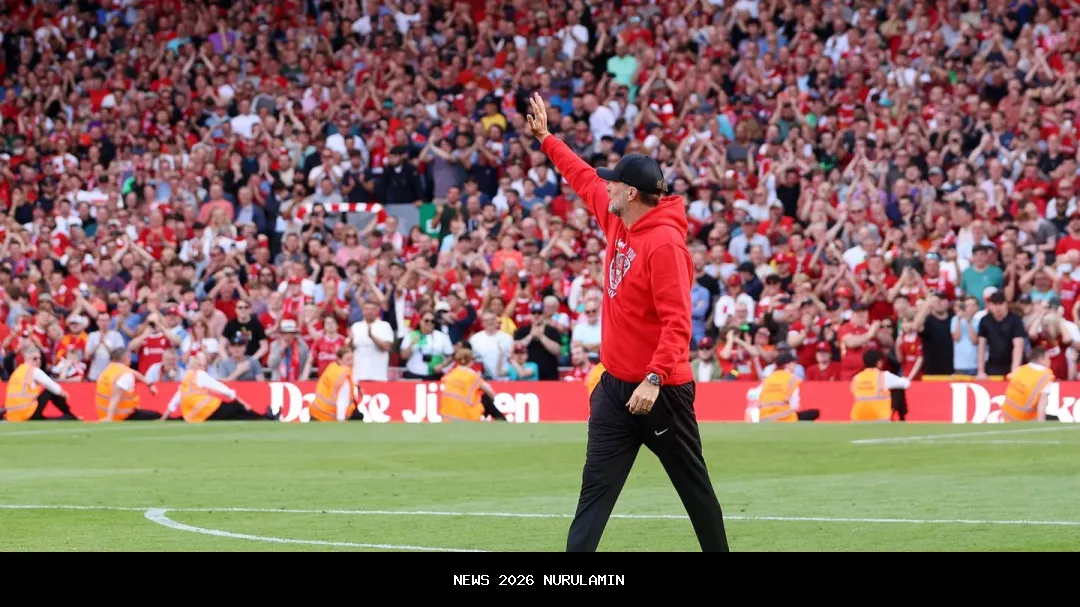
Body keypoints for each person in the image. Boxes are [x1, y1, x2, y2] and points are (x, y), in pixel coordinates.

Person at [527, 92, 729, 552]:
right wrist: (546, 139)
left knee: (694, 492)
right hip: (616, 390)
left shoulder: (664, 245)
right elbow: (581, 177)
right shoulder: (620, 218)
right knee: (594, 495)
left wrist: (654, 379)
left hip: (662, 392)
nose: (607, 187)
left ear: (631, 192)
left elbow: (679, 323)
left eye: (614, 183)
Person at [163, 353, 278, 422]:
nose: (203, 368)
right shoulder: (200, 375)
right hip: (208, 409)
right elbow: (223, 389)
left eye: (204, 366)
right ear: (195, 365)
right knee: (237, 407)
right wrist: (243, 402)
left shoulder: (187, 378)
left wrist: (163, 418)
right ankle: (265, 417)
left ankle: (263, 417)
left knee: (235, 414)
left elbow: (176, 400)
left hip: (194, 416)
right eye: (200, 365)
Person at [0, 346, 78, 422]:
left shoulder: (17, 371)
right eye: (35, 358)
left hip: (13, 414)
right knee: (50, 391)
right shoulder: (33, 370)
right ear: (27, 358)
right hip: (27, 412)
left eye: (39, 358)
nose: (38, 361)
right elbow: (52, 385)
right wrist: (63, 393)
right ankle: (69, 414)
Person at [746, 352, 820, 422]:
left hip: (764, 417)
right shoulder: (792, 379)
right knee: (814, 413)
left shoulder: (768, 379)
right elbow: (795, 406)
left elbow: (754, 396)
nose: (795, 365)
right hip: (785, 418)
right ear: (787, 365)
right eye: (793, 363)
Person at [438, 346, 506, 422]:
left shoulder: (450, 375)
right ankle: (501, 420)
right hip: (466, 417)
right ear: (471, 361)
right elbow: (491, 393)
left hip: (446, 417)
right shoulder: (473, 377)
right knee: (483, 396)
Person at [97, 348, 161, 421]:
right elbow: (115, 397)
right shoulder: (125, 375)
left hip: (102, 414)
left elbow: (134, 373)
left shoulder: (108, 370)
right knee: (157, 416)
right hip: (122, 416)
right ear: (126, 357)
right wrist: (109, 418)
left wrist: (149, 384)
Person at [850, 350, 912, 422]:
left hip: (858, 417)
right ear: (879, 362)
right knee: (898, 389)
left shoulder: (857, 378)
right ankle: (902, 418)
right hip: (879, 417)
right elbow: (906, 384)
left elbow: (853, 391)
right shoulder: (883, 376)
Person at [1000, 347, 1056, 422]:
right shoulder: (1046, 376)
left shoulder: (1020, 369)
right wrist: (1041, 425)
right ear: (1041, 360)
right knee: (1055, 419)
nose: (1049, 361)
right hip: (1025, 418)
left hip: (1006, 415)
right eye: (1048, 358)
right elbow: (1042, 404)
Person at [309, 348, 365, 422]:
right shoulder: (344, 375)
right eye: (348, 359)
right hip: (329, 415)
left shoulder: (331, 367)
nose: (351, 362)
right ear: (339, 360)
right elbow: (342, 400)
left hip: (316, 411)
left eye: (352, 359)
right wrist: (341, 420)